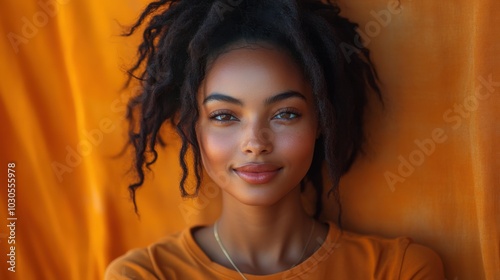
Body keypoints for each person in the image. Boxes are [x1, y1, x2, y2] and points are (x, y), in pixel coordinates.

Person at [105, 0, 445, 279]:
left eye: (285, 113)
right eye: (225, 116)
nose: (255, 143)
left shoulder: (398, 270)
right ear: (193, 126)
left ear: (321, 121)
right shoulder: (143, 275)